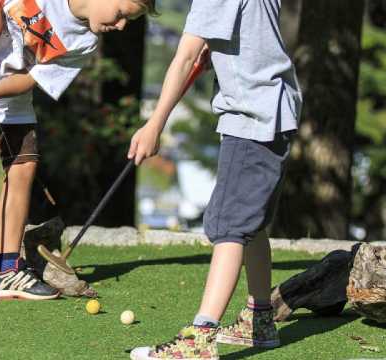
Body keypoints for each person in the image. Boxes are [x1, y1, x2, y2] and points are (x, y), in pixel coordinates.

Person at [0, 0, 156, 303]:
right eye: (122, 15)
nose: (122, 26)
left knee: (23, 166)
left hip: (9, 89)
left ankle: (6, 271)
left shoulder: (84, 42)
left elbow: (33, 78)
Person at [126, 0, 302, 358]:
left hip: (251, 119)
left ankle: (199, 339)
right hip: (275, 112)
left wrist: (154, 124)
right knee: (251, 224)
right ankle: (259, 319)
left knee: (228, 226)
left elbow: (187, 56)